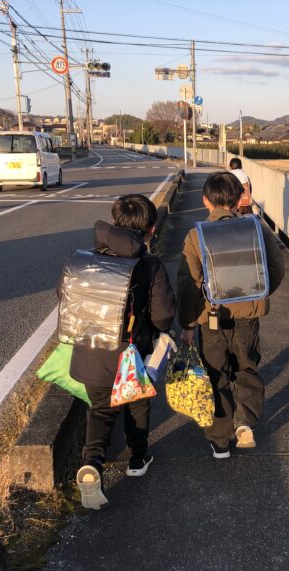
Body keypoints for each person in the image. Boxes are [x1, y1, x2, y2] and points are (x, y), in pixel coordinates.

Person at [71, 194, 176, 509]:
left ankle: (92, 462)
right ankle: (138, 458)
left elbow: (65, 298)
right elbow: (163, 317)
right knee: (137, 404)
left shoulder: (87, 259)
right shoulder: (150, 265)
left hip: (92, 351)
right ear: (151, 229)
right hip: (131, 355)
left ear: (115, 221)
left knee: (100, 409)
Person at [177, 172, 285, 458]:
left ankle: (220, 440)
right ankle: (245, 423)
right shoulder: (256, 228)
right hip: (247, 315)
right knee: (247, 367)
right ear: (239, 199)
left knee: (216, 374)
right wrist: (259, 294)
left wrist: (188, 324)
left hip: (211, 318)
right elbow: (277, 268)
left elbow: (188, 284)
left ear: (205, 201)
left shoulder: (196, 235)